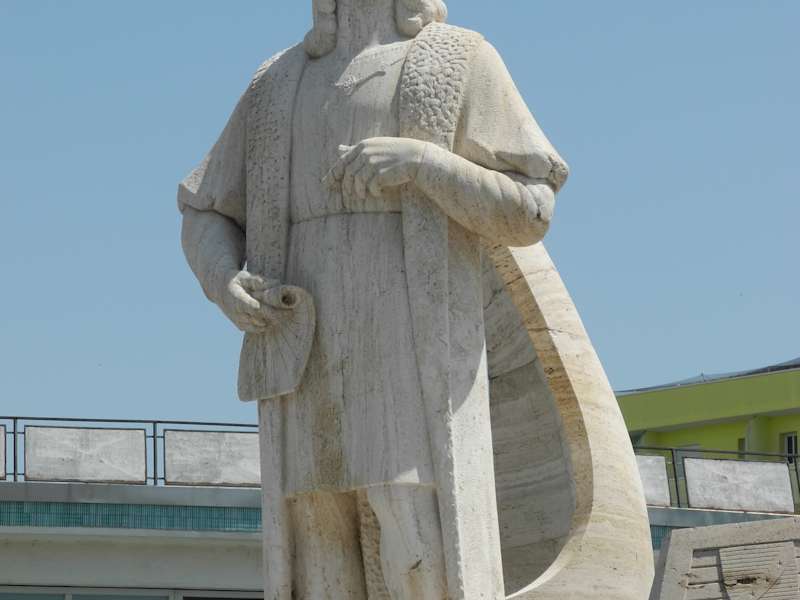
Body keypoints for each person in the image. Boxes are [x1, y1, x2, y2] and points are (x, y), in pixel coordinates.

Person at [178, 1, 567, 597]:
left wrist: (425, 163)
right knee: (317, 540)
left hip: (409, 345)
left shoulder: (460, 58)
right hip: (304, 351)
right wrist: (222, 279)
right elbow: (206, 210)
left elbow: (531, 208)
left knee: (414, 528)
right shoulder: (276, 82)